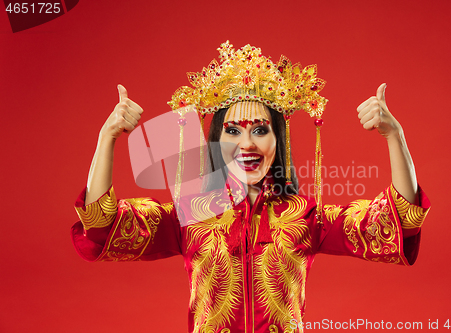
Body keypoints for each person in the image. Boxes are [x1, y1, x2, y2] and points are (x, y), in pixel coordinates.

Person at [71, 42, 430, 333]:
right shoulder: (190, 214)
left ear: (279, 141)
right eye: (233, 131)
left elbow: (400, 219)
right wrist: (107, 138)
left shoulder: (306, 216)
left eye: (260, 130)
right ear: (216, 140)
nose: (247, 144)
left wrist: (394, 136)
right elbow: (100, 225)